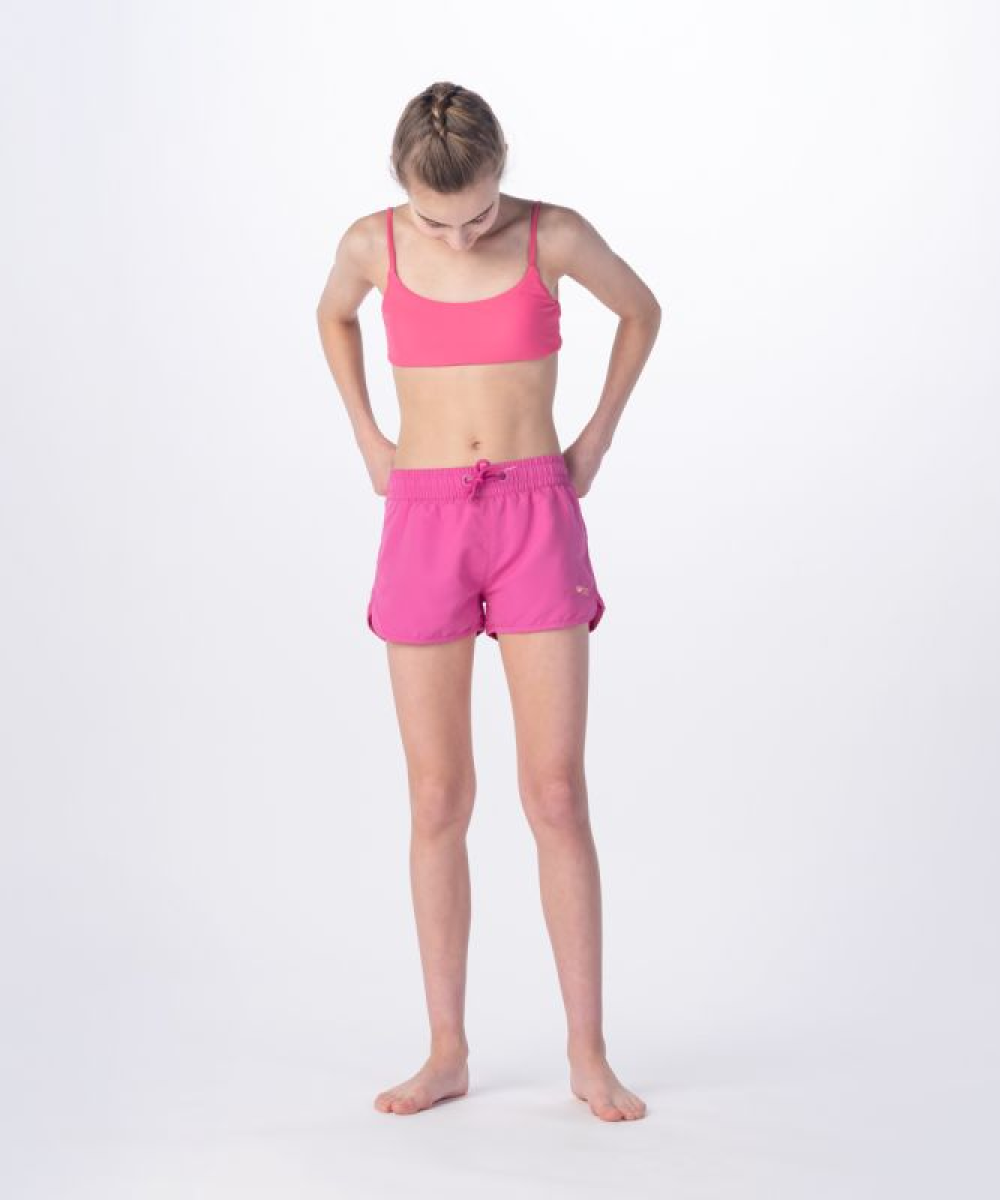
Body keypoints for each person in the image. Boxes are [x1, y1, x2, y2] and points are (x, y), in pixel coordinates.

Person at [315, 81, 662, 1122]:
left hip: (532, 515)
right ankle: (446, 1051)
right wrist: (369, 437)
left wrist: (594, 439)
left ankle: (588, 1055)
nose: (460, 238)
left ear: (501, 172)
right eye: (437, 222)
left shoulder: (553, 234)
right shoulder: (371, 244)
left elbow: (641, 310)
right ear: (401, 186)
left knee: (554, 794)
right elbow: (332, 314)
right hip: (423, 519)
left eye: (476, 216)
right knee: (437, 799)